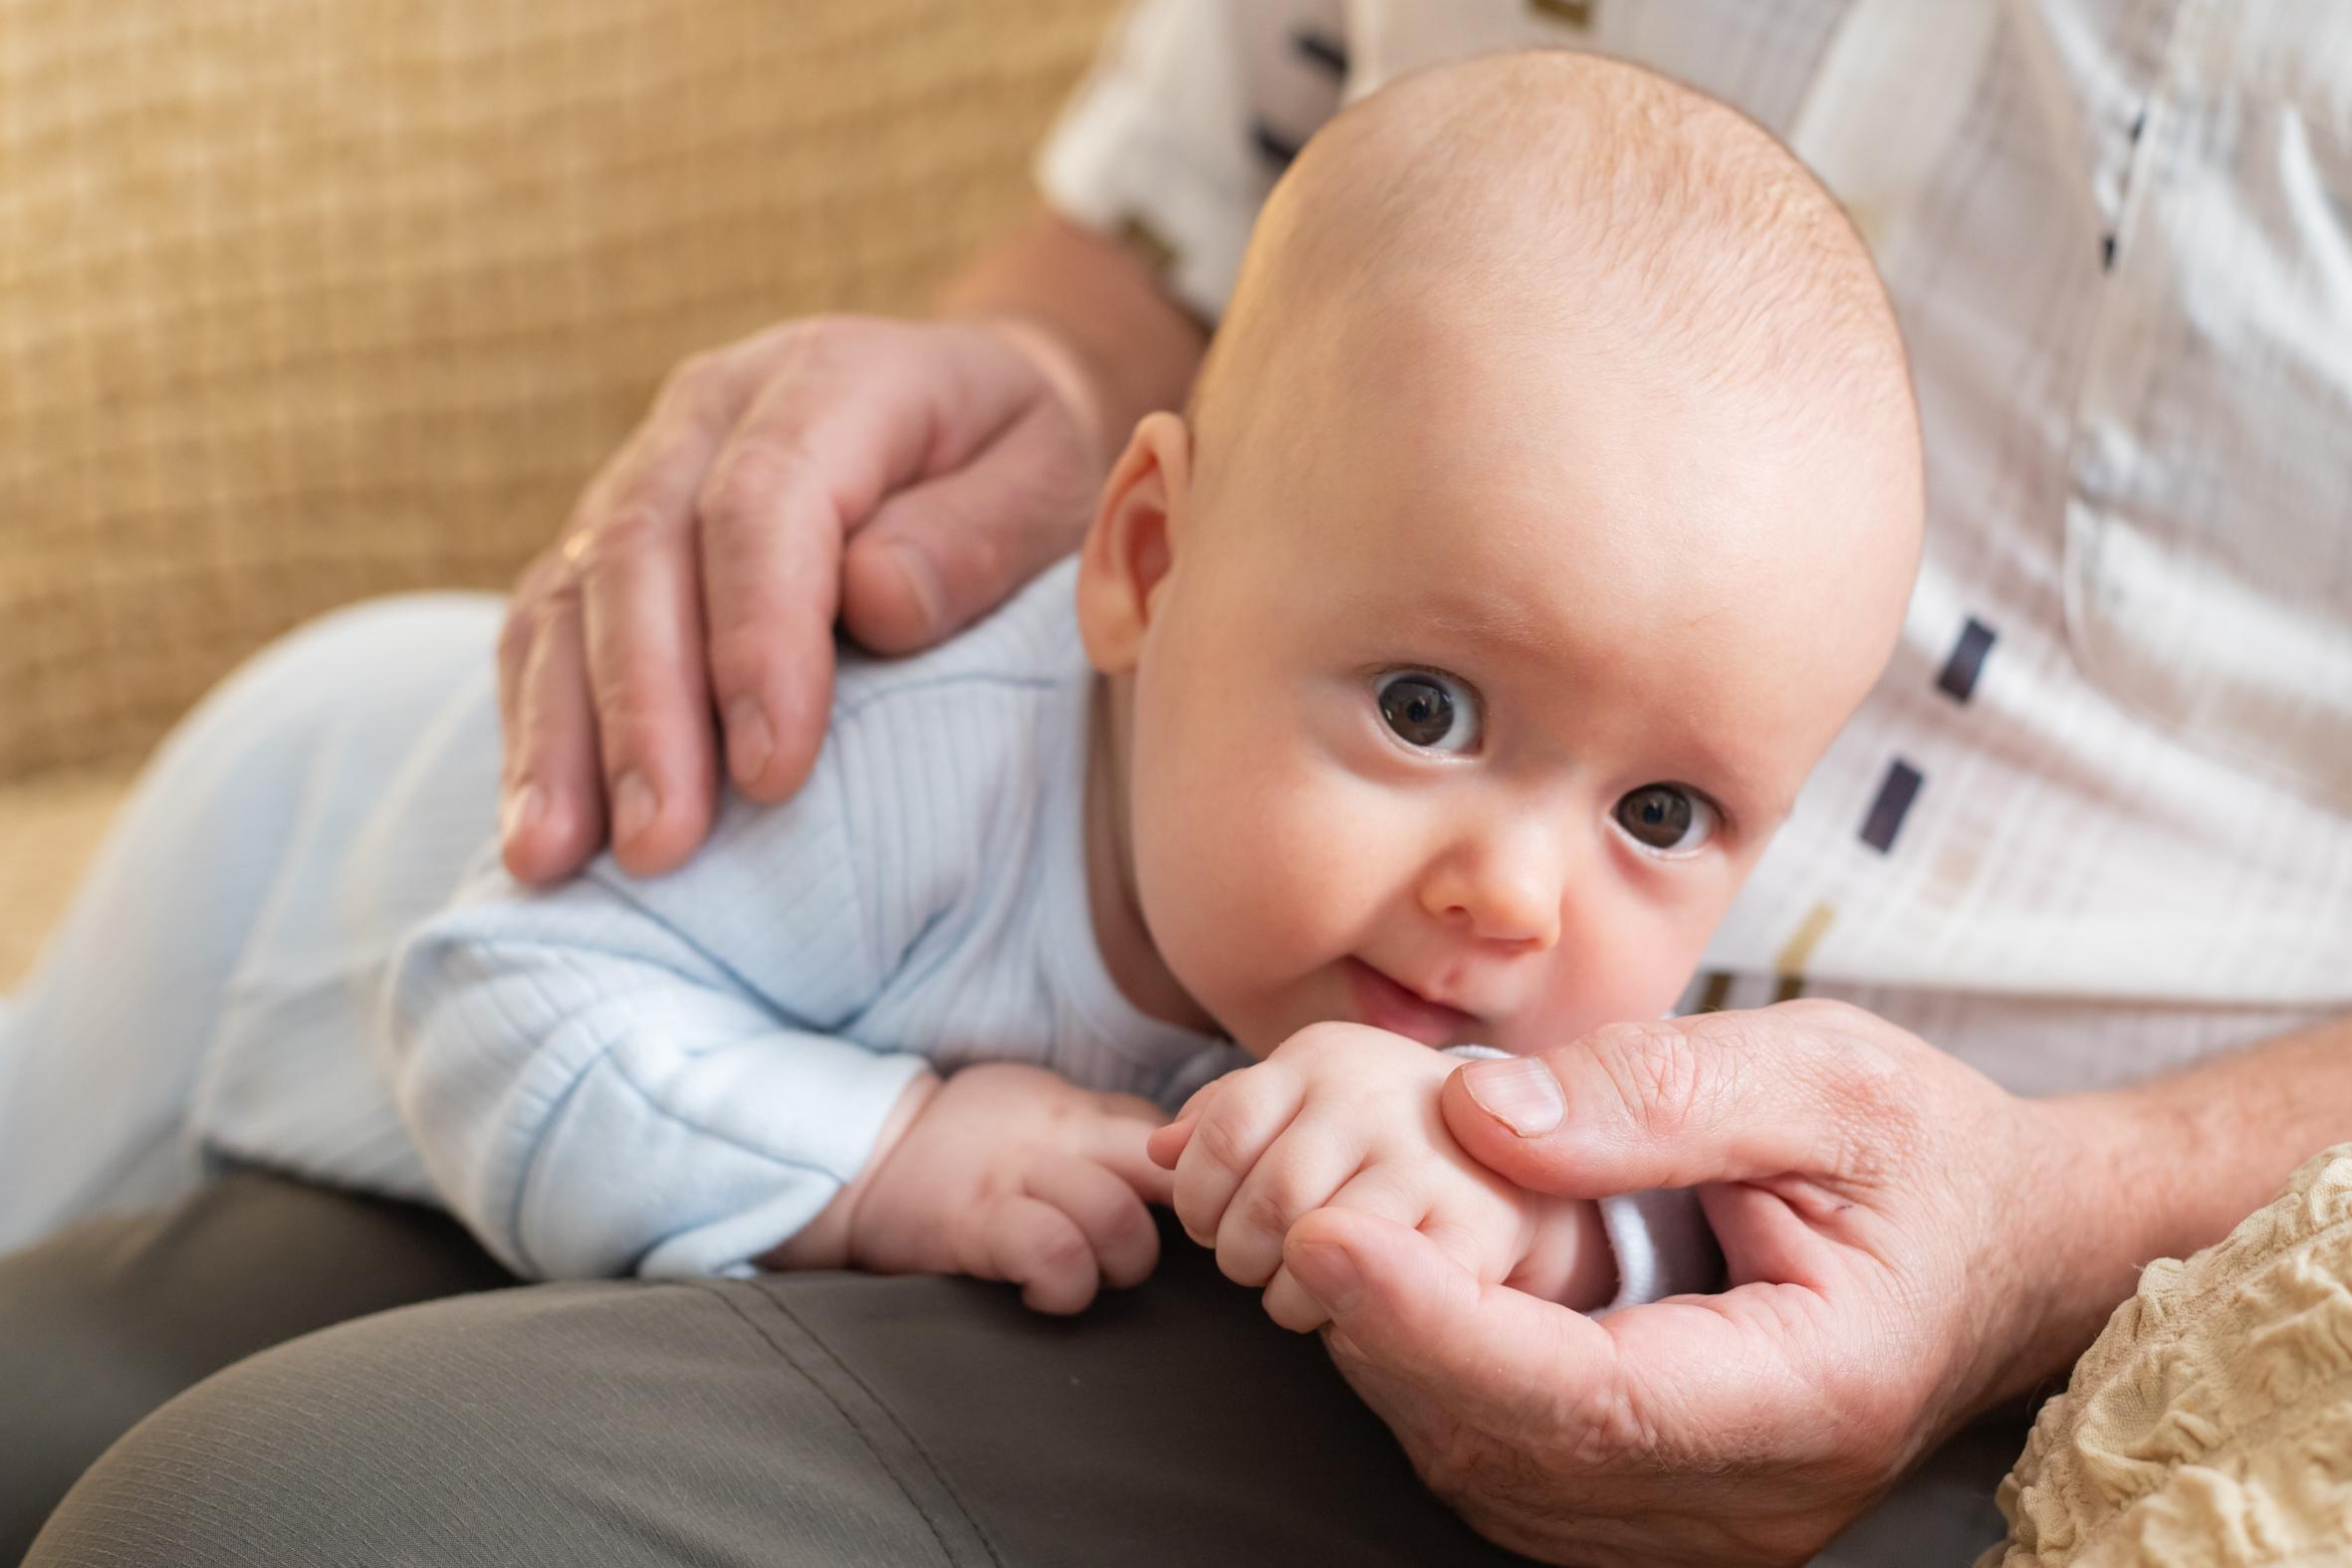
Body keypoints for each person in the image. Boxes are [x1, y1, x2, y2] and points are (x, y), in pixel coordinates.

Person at [13, 4, 2351, 1566]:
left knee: (277, 1517)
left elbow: (1665, 1222)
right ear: (1138, 554)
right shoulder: (913, 777)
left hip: (2048, 1280)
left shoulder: (1584, 1019)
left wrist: (1544, 1229)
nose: (1516, 900)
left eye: (1656, 817)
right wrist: (886, 1149)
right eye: (1426, 713)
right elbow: (496, 989)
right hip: (319, 898)